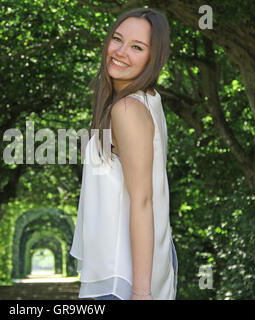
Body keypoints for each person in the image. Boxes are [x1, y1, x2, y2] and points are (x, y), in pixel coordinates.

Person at [69, 8, 178, 300]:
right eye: (117, 39)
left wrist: (141, 292)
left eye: (137, 47)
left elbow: (142, 200)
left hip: (123, 274)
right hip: (136, 260)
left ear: (153, 59)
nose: (120, 52)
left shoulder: (127, 109)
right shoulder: (147, 99)